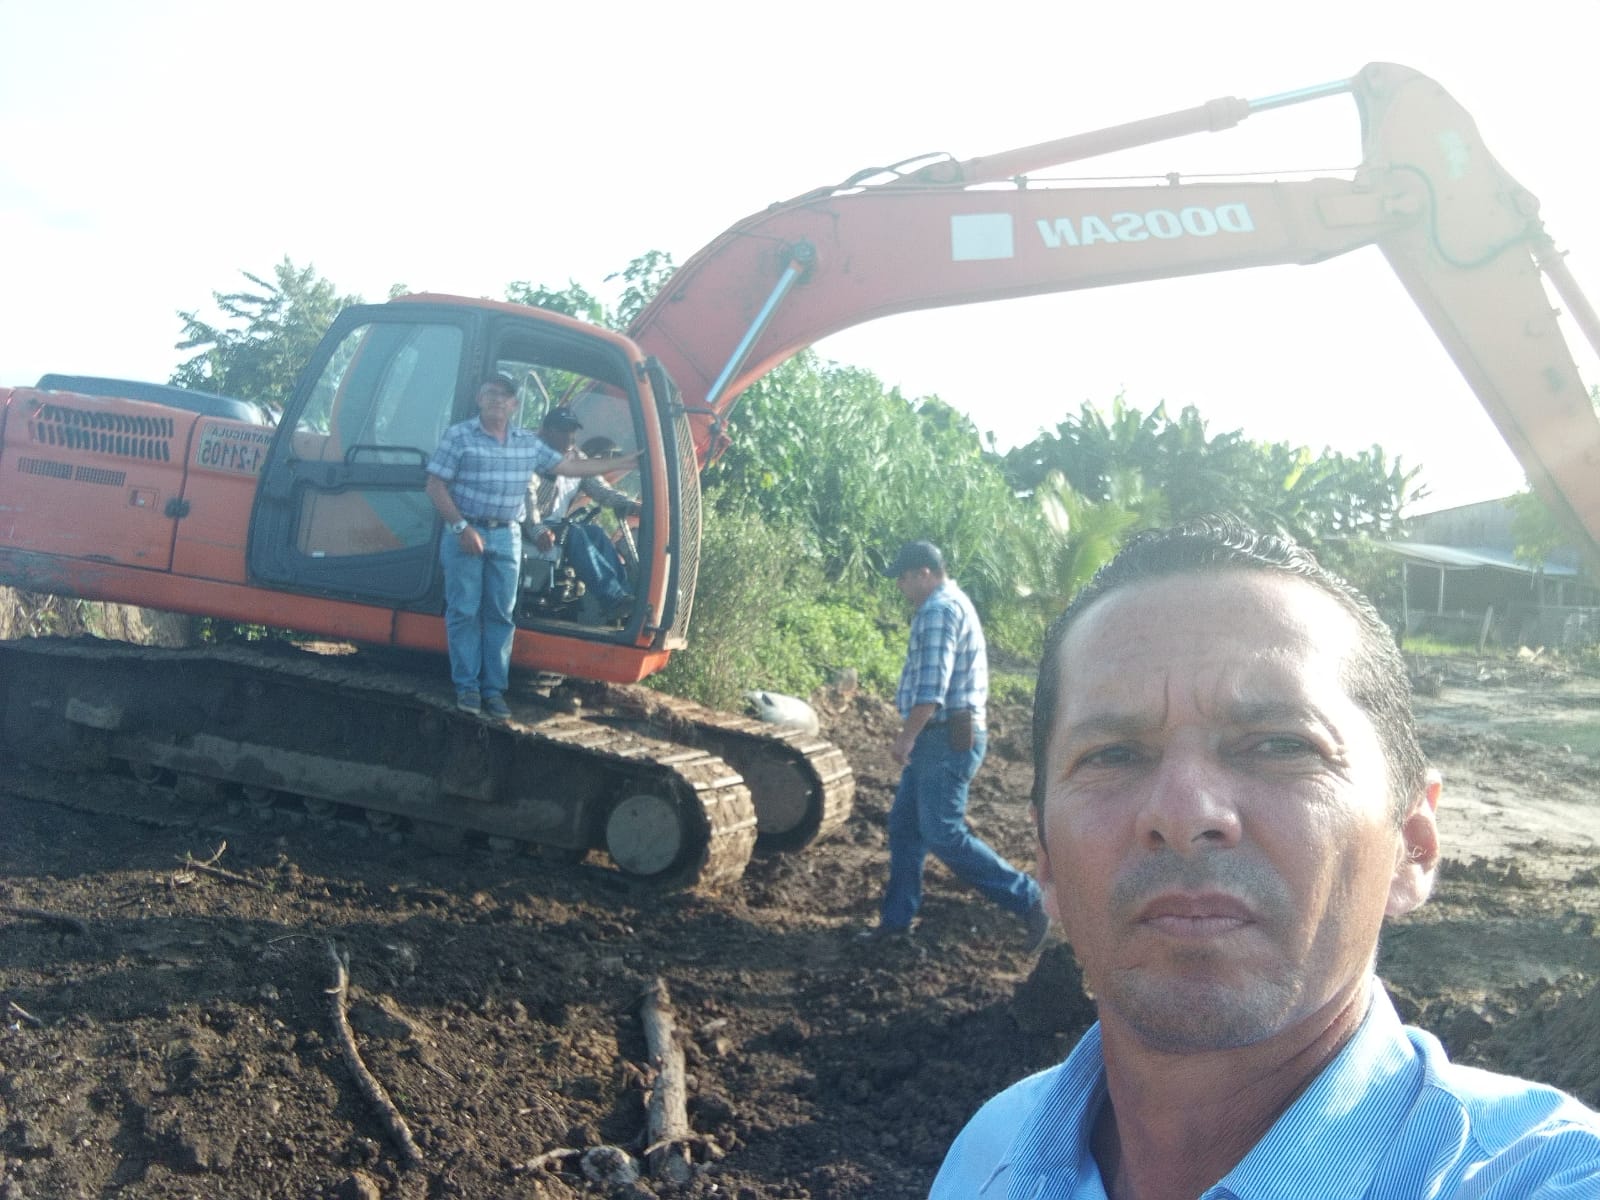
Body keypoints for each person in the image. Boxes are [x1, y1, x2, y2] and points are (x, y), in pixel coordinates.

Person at [932, 518, 1600, 1198]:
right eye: (1113, 755)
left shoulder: (1550, 1177)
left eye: (1283, 745)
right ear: (1045, 857)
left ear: (1413, 845)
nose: (1184, 814)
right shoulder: (988, 1160)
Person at [862, 540, 1048, 949]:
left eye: (904, 578)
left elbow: (932, 688)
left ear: (925, 573)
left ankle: (1031, 899)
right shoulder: (952, 603)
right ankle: (896, 921)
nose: (901, 587)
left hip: (944, 738)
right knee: (906, 828)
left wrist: (907, 736)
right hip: (943, 736)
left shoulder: (938, 611)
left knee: (943, 833)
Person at [424, 375, 638, 720]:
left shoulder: (535, 446)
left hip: (506, 533)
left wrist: (630, 496)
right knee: (465, 610)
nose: (569, 439)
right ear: (480, 399)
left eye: (505, 396)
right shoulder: (460, 436)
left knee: (502, 614)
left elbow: (594, 484)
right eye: (491, 394)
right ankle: (467, 687)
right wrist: (468, 527)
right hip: (483, 530)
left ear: (515, 404)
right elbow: (442, 486)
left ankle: (494, 691)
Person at [525, 419, 639, 624]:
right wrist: (537, 528)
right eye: (562, 430)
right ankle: (611, 597)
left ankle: (626, 599)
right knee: (573, 532)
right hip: (528, 525)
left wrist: (630, 505)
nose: (569, 437)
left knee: (595, 532)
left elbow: (602, 491)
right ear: (547, 432)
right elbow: (527, 497)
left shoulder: (577, 460)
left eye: (571, 432)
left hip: (556, 525)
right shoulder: (532, 456)